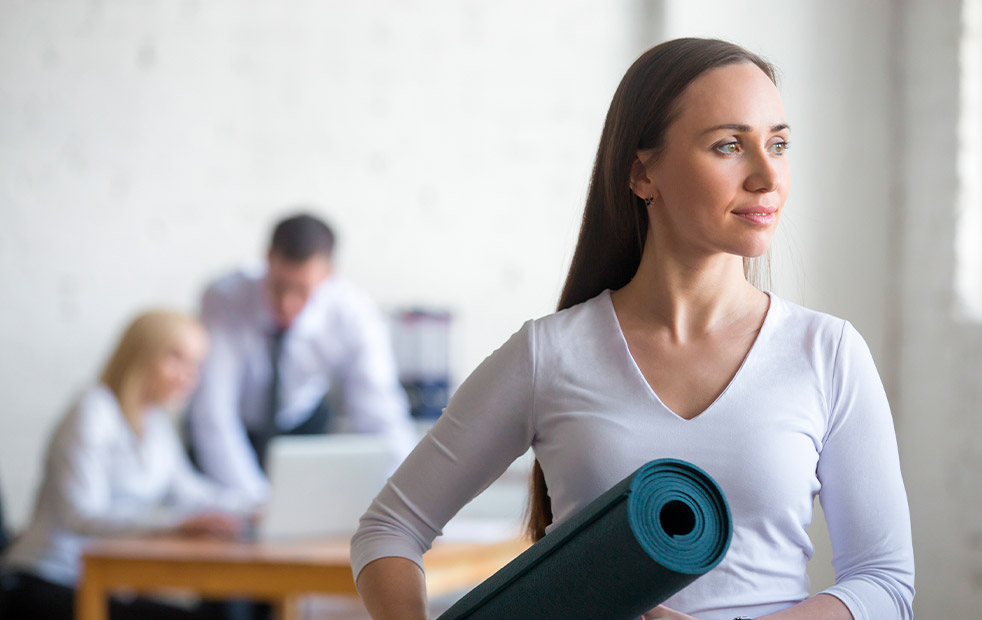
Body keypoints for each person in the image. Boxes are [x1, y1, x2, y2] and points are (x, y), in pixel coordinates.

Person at [350, 38, 914, 620]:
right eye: (728, 146)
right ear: (644, 173)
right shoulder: (550, 355)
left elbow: (884, 582)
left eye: (778, 145)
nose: (767, 176)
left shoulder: (827, 353)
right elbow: (389, 529)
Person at [2, 311, 251, 620]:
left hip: (103, 584)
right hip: (49, 580)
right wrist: (174, 525)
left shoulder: (155, 422)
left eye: (196, 365)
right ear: (140, 354)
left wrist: (254, 506)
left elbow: (191, 492)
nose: (188, 375)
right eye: (176, 358)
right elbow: (81, 516)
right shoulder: (93, 410)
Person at [186, 213, 416, 505]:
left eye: (302, 291)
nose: (286, 304)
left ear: (328, 274)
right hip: (234, 428)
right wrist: (255, 503)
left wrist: (406, 497)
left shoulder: (353, 313)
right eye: (279, 286)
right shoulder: (224, 297)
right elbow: (213, 411)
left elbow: (379, 410)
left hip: (301, 428)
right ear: (267, 259)